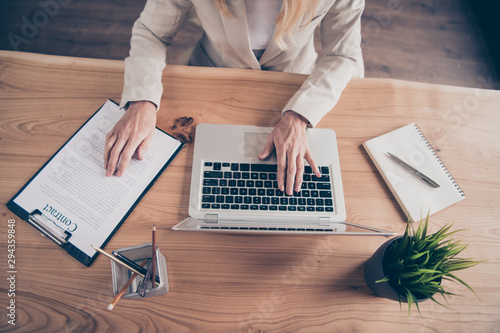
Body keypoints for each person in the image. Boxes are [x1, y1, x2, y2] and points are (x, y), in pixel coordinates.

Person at [104, 0, 364, 196]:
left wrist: (300, 115)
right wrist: (142, 100)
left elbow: (343, 55)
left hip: (294, 85)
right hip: (211, 80)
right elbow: (152, 31)